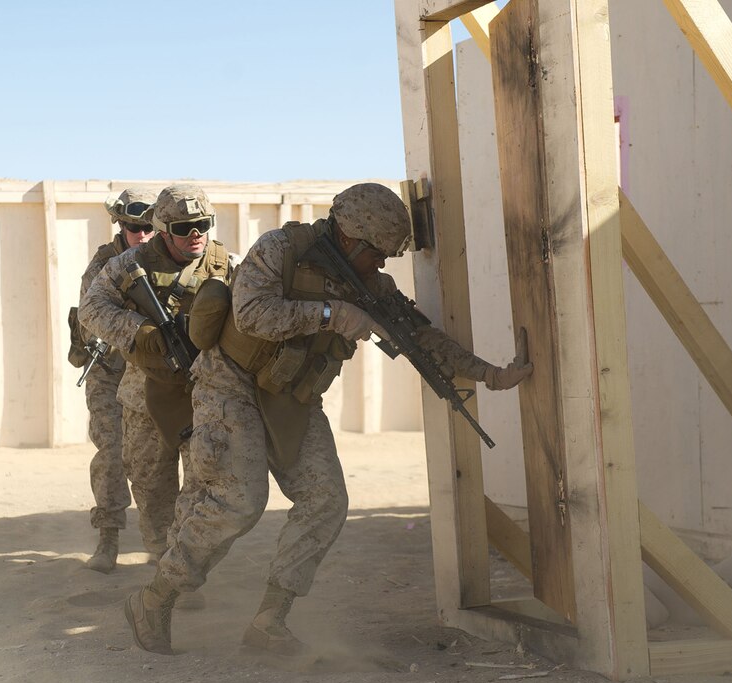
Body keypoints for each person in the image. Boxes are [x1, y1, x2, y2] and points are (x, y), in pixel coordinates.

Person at [124, 182, 533, 655]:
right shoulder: (280, 248)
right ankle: (155, 598)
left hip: (291, 396)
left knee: (326, 499)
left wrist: (492, 375)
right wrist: (331, 314)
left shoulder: (371, 286)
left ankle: (269, 620)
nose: (381, 265)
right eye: (377, 253)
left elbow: (422, 338)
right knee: (240, 500)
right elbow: (253, 314)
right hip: (229, 383)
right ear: (350, 238)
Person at [80, 184, 232, 593]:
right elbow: (92, 311)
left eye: (203, 224)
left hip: (206, 392)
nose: (196, 232)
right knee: (149, 486)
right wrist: (141, 332)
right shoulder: (127, 265)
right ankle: (159, 556)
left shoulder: (225, 264)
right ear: (165, 229)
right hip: (144, 389)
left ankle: (180, 572)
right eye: (185, 226)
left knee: (201, 484)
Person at [76, 187, 157, 572]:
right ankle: (108, 537)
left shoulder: (170, 260)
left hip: (156, 375)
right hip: (111, 372)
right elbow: (88, 316)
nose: (141, 235)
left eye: (147, 227)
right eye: (131, 227)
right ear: (119, 226)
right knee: (111, 454)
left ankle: (164, 543)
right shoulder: (103, 264)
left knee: (155, 460)